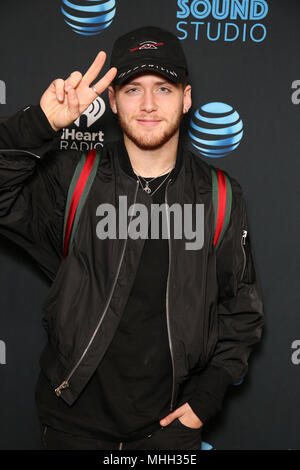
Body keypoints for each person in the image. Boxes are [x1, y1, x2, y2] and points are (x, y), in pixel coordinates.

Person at [0, 26, 264, 450]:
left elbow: (241, 308)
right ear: (111, 100)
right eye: (132, 89)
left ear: (187, 97)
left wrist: (208, 394)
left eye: (163, 88)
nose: (147, 105)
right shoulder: (75, 179)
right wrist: (38, 124)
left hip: (171, 432)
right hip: (72, 428)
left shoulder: (219, 195)